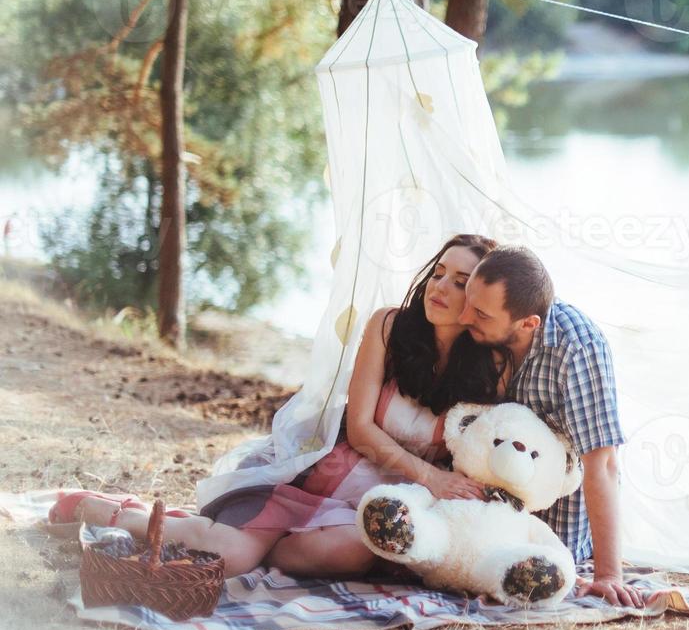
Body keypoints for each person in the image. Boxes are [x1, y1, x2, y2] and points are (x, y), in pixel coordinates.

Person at [51, 234, 507, 578]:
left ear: (480, 300)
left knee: (360, 548)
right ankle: (107, 511)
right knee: (229, 559)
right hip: (321, 476)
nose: (440, 286)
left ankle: (245, 537)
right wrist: (430, 476)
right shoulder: (389, 326)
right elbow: (361, 428)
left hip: (383, 502)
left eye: (460, 282)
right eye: (439, 272)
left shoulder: (488, 370)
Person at [458, 244, 644, 608]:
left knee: (532, 574)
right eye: (468, 301)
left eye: (480, 313)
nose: (465, 317)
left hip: (553, 516)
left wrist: (608, 574)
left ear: (529, 324)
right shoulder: (482, 328)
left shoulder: (578, 347)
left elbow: (602, 463)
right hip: (483, 498)